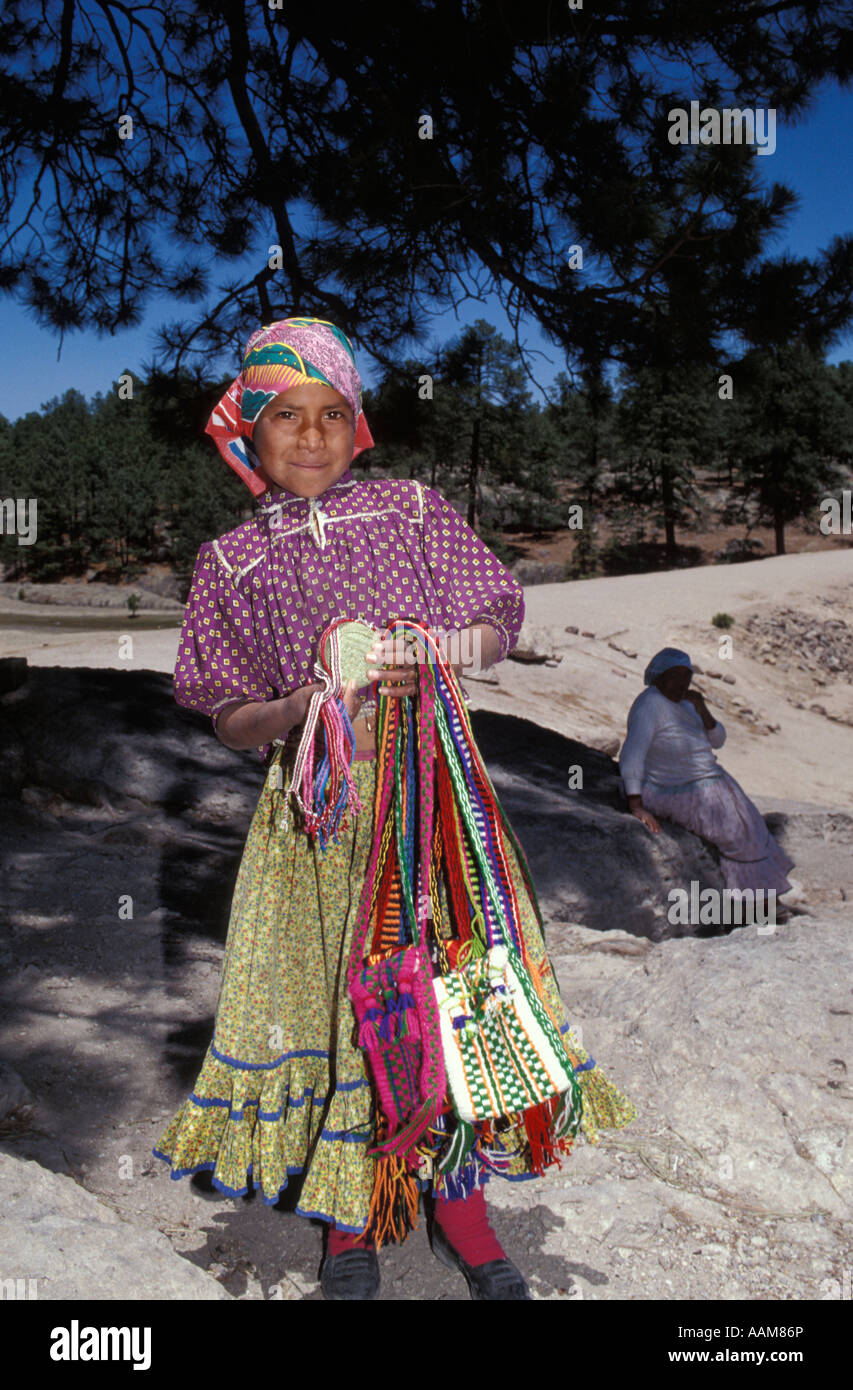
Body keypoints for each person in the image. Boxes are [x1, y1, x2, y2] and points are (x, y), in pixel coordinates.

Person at [154, 317, 635, 1301]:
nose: (312, 436)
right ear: (247, 429)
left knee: (456, 986)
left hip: (437, 805)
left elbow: (496, 619)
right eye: (286, 416)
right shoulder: (230, 563)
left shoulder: (412, 511)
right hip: (320, 822)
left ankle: (465, 1215)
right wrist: (300, 706)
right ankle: (350, 1224)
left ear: (358, 424)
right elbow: (227, 717)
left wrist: (435, 651)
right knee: (343, 1006)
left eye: (333, 413)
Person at [619, 647, 797, 918]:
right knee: (735, 833)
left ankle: (763, 895)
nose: (682, 683)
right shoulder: (650, 705)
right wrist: (637, 806)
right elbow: (631, 755)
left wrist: (702, 709)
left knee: (753, 825)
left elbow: (718, 740)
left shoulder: (687, 704)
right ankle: (752, 903)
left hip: (709, 779)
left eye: (686, 676)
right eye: (675, 676)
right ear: (659, 676)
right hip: (670, 789)